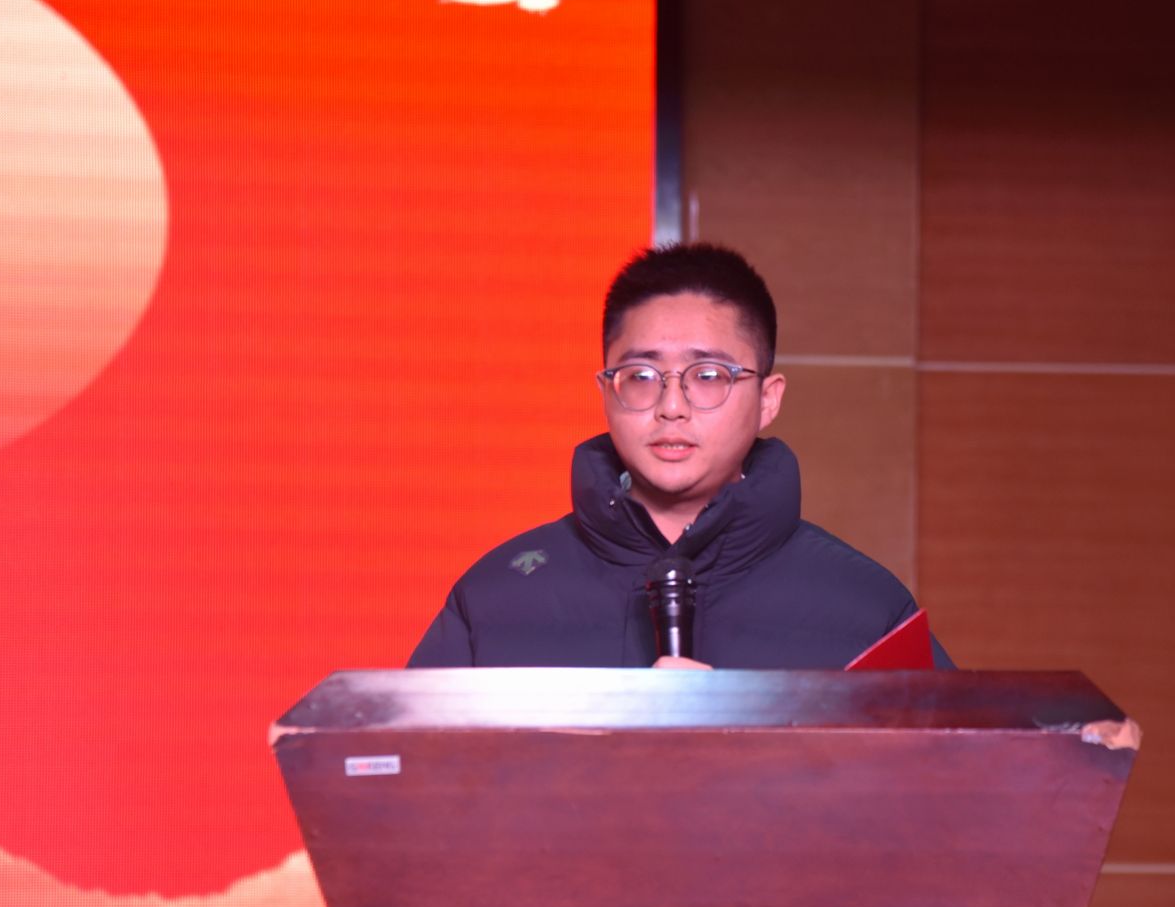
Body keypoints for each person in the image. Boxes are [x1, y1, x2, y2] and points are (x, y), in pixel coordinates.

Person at [407, 243, 951, 669]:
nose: (672, 407)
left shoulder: (867, 610)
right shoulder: (495, 598)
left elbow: (952, 774)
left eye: (708, 375)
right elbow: (407, 771)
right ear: (606, 392)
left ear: (768, 400)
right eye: (641, 376)